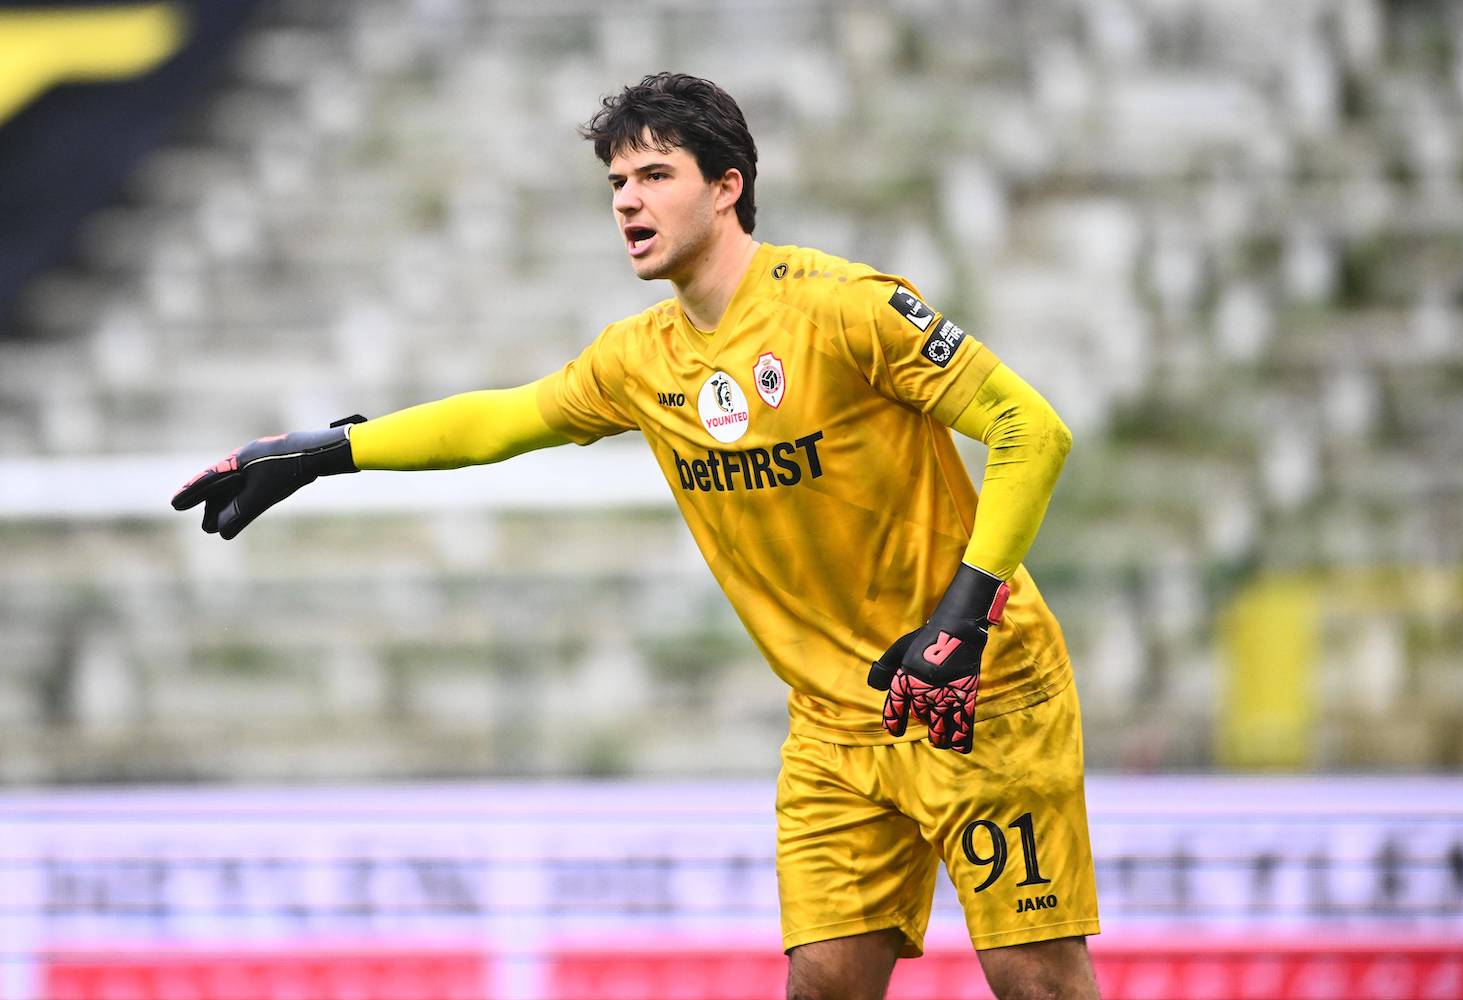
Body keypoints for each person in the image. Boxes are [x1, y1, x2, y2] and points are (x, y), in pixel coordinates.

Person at [172, 72, 1101, 1000]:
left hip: (976, 692)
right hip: (832, 719)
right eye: (617, 183)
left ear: (727, 185)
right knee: (824, 980)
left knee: (1031, 975)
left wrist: (963, 617)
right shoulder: (639, 357)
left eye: (655, 175)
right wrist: (330, 450)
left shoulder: (844, 308)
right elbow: (503, 420)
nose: (628, 201)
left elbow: (1032, 429)